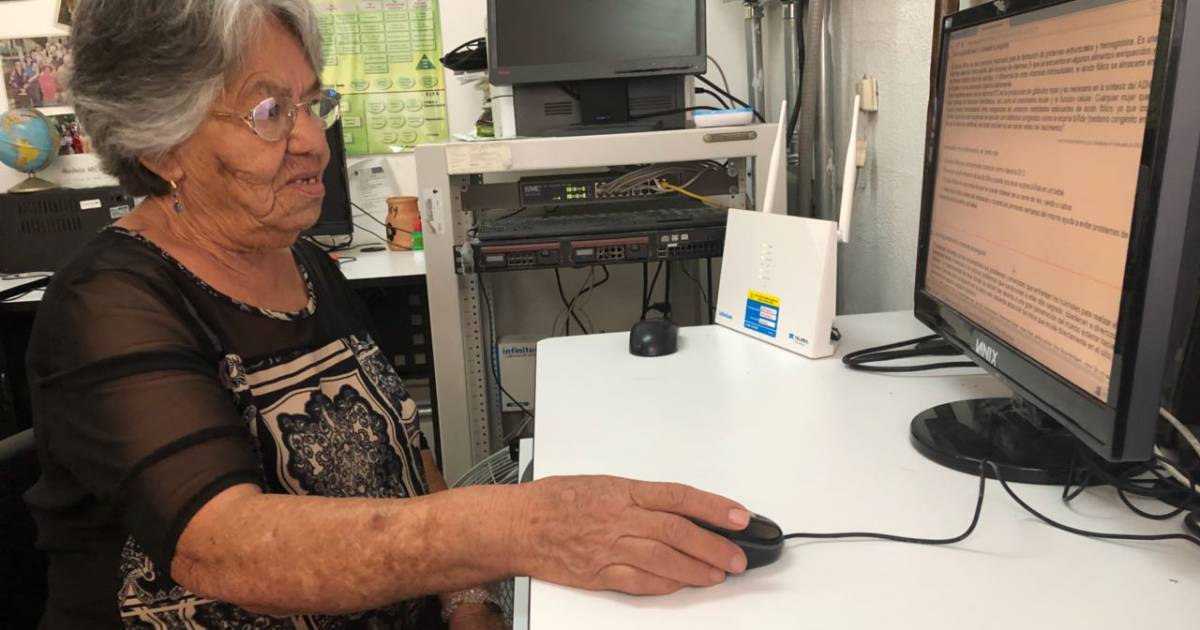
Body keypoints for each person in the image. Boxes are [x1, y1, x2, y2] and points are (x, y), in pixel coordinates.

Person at [24, 1, 753, 628]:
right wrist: (522, 525)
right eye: (269, 112)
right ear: (160, 146)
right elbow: (226, 547)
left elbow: (403, 451)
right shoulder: (106, 305)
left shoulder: (301, 260)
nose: (313, 141)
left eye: (312, 103)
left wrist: (469, 600)